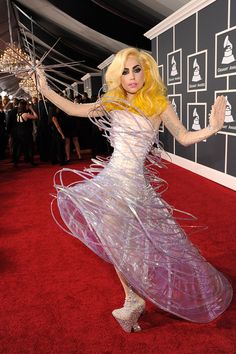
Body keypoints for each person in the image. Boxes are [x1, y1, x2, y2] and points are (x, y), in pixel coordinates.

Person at [32, 47, 232, 333]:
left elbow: (185, 137)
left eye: (136, 69)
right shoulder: (114, 101)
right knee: (117, 243)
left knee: (134, 245)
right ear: (118, 76)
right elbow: (73, 109)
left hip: (133, 185)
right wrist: (44, 88)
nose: (131, 76)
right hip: (111, 180)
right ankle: (131, 298)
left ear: (146, 70)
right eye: (124, 71)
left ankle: (133, 297)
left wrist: (212, 128)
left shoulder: (159, 104)